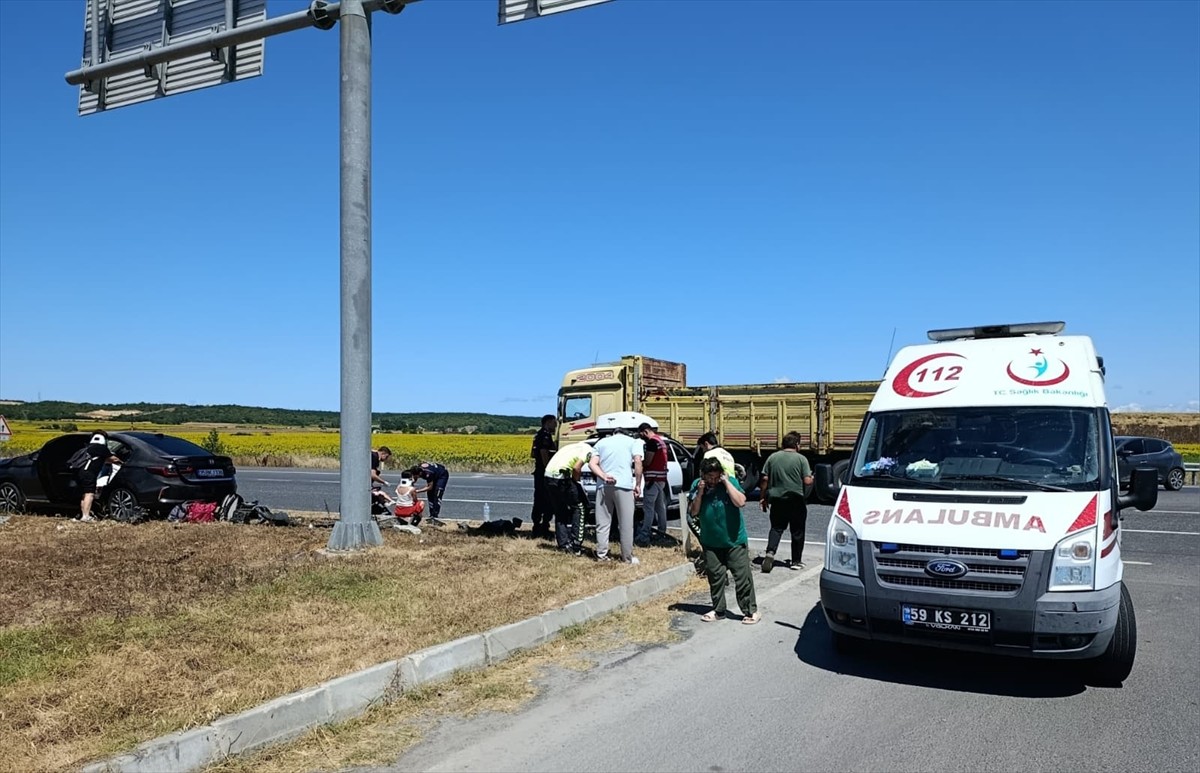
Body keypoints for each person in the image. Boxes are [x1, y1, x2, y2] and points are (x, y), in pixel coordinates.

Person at [689, 456, 759, 624]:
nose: (712, 481)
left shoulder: (731, 482)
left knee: (742, 577)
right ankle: (718, 609)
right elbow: (693, 512)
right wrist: (699, 492)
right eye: (709, 477)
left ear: (721, 474)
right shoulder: (698, 485)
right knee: (715, 577)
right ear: (703, 475)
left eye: (716, 477)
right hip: (711, 541)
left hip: (734, 540)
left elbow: (741, 502)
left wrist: (727, 483)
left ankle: (750, 611)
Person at [758, 431, 815, 572]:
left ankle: (770, 552)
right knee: (797, 531)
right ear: (797, 444)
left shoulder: (773, 458)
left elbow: (765, 479)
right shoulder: (801, 459)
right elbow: (807, 481)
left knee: (776, 528)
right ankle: (796, 561)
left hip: (777, 499)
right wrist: (812, 478)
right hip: (796, 499)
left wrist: (763, 497)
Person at [587, 429, 644, 564]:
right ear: (626, 433)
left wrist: (604, 476)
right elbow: (638, 462)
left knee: (603, 522)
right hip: (624, 484)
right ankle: (627, 557)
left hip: (603, 486)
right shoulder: (634, 442)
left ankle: (601, 554)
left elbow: (592, 464)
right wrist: (637, 484)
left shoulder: (602, 442)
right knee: (626, 523)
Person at [543, 440, 595, 554]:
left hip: (548, 476)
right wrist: (577, 482)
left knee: (560, 511)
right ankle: (576, 543)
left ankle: (563, 544)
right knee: (579, 507)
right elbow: (577, 468)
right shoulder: (589, 450)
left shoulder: (570, 447)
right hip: (562, 477)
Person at [635, 422, 670, 546]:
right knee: (660, 507)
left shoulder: (652, 442)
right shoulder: (661, 441)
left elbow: (649, 461)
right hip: (661, 479)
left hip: (653, 479)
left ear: (645, 431)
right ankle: (662, 531)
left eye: (641, 435)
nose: (641, 438)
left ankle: (644, 534)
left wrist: (638, 464)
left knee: (648, 508)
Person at [76, 432, 122, 522]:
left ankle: (83, 514)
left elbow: (102, 459)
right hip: (90, 473)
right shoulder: (101, 448)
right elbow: (113, 459)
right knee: (90, 493)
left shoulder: (88, 448)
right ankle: (86, 516)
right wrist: (122, 461)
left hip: (81, 472)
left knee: (84, 494)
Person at [529, 415, 558, 538]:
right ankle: (544, 527)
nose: (556, 425)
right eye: (554, 422)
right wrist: (548, 469)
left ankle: (536, 526)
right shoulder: (545, 436)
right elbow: (543, 452)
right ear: (548, 422)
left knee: (538, 499)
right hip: (544, 473)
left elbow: (532, 454)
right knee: (547, 499)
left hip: (539, 472)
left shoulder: (537, 435)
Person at [408, 461, 450, 525]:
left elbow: (429, 487)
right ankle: (431, 514)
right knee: (430, 494)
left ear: (420, 473)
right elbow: (414, 478)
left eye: (417, 476)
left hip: (442, 475)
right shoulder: (417, 469)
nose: (417, 478)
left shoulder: (428, 473)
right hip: (434, 473)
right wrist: (411, 485)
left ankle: (435, 516)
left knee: (437, 494)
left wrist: (417, 491)